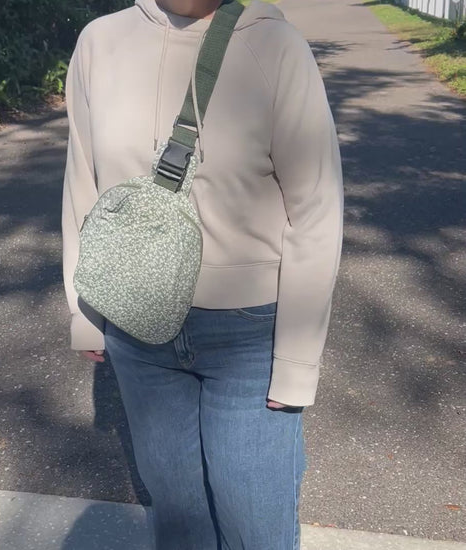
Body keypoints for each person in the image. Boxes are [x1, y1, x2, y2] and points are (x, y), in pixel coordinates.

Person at [61, 0, 343, 548]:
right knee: (178, 520)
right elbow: (82, 183)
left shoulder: (274, 45)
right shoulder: (100, 42)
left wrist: (296, 362)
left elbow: (317, 209)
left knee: (255, 528)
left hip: (249, 337)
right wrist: (85, 312)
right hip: (136, 326)